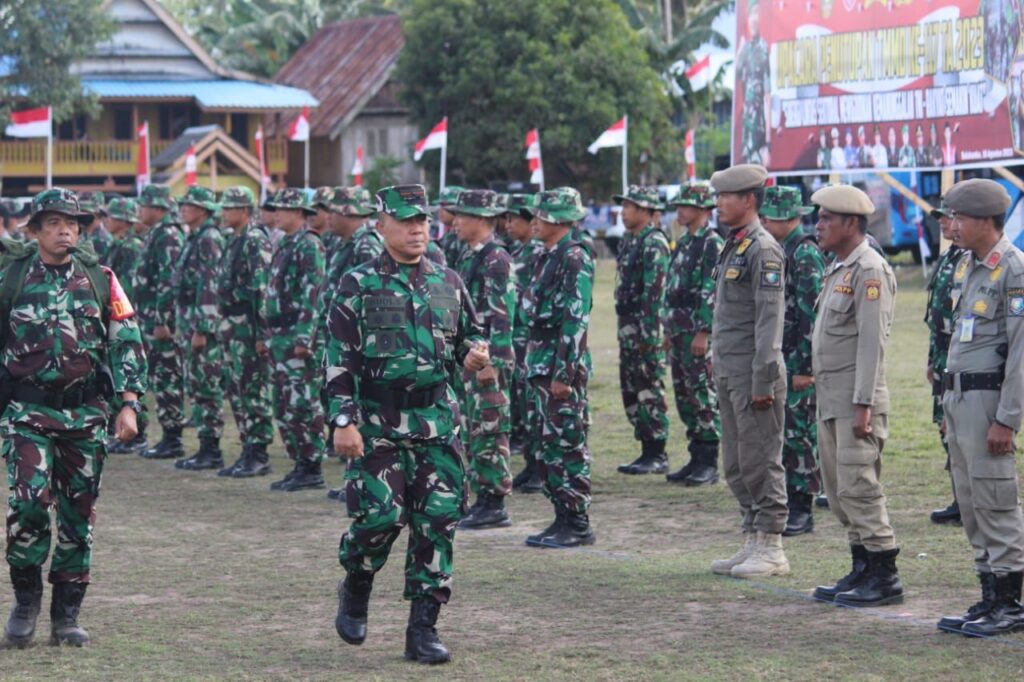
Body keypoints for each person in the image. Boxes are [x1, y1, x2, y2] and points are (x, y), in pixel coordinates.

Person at [327, 184, 488, 664]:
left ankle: (423, 629)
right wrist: (343, 421)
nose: (417, 229)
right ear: (381, 226)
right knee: (380, 517)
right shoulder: (358, 283)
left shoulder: (448, 280)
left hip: (437, 422)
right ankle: (357, 580)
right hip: (378, 423)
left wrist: (475, 354)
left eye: (422, 220)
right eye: (405, 221)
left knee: (437, 522)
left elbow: (469, 335)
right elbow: (339, 357)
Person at [0, 188, 146, 648]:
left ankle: (66, 615)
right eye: (54, 223)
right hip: (27, 411)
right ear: (35, 230)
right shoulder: (11, 277)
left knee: (78, 513)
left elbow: (126, 339)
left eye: (73, 224)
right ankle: (25, 603)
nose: (65, 231)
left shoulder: (101, 278)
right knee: (28, 505)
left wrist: (129, 403)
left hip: (85, 414)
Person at [938, 179, 1024, 636]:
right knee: (971, 501)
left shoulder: (1013, 269)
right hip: (960, 399)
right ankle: (990, 595)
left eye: (960, 217)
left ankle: (1010, 603)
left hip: (989, 401)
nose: (951, 226)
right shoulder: (968, 265)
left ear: (986, 220)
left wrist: (1007, 419)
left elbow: (1021, 354)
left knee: (995, 499)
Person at [810, 184, 903, 607]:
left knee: (860, 486)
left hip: (855, 402)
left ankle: (884, 575)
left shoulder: (870, 269)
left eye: (826, 218)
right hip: (833, 400)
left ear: (851, 223)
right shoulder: (840, 268)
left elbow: (871, 344)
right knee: (839, 490)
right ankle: (862, 566)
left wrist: (863, 404)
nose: (818, 225)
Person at [707, 164, 790, 579]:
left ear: (750, 200)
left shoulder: (763, 249)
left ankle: (772, 546)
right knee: (736, 464)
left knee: (760, 460)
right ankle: (752, 536)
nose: (719, 203)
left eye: (726, 196)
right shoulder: (734, 245)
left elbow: (769, 322)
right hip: (731, 370)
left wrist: (763, 379)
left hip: (755, 373)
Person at [521, 188, 596, 548]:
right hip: (542, 362)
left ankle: (577, 523)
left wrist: (563, 374)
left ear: (559, 220)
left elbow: (575, 319)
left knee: (567, 443)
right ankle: (562, 517)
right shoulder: (548, 255)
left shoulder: (574, 257)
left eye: (541, 216)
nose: (534, 222)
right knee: (548, 444)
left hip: (558, 367)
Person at [449, 189, 516, 529]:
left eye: (462, 216)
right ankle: (481, 496)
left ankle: (494, 502)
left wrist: (492, 362)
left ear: (482, 219)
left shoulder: (496, 260)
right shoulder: (469, 255)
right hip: (471, 357)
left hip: (489, 360)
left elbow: (502, 318)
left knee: (490, 426)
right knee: (473, 427)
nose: (455, 222)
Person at [760, 186, 825, 536]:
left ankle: (803, 508)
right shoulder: (782, 250)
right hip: (781, 358)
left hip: (798, 364)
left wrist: (805, 368)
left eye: (770, 218)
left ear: (788, 218)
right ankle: (787, 500)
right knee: (784, 432)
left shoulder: (804, 253)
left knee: (799, 434)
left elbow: (811, 316)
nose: (765, 223)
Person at [321, 186, 382, 501]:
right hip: (344, 339)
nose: (327, 217)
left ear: (349, 213)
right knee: (348, 410)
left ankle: (365, 481)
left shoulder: (366, 246)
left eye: (332, 211)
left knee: (362, 413)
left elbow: (374, 299)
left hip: (361, 343)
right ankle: (353, 480)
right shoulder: (345, 244)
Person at [264, 188, 326, 491]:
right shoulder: (286, 243)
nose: (276, 214)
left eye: (283, 209)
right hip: (280, 336)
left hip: (297, 336)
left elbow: (313, 293)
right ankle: (299, 462)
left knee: (302, 402)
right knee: (283, 403)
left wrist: (305, 338)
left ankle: (311, 465)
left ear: (299, 213)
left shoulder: (309, 244)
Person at [662, 182, 723, 485]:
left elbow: (711, 290)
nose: (680, 211)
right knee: (684, 395)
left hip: (696, 333)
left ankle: (708, 461)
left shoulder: (711, 244)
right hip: (678, 331)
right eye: (679, 205)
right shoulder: (685, 242)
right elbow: (672, 288)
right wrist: (667, 329)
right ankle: (695, 456)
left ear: (703, 210)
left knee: (702, 393)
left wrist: (704, 331)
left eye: (685, 206)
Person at [214, 186, 274, 478]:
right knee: (237, 390)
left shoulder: (254, 240)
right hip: (233, 326)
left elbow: (262, 289)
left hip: (249, 328)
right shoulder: (234, 239)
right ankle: (247, 448)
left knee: (253, 390)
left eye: (229, 207)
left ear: (245, 211)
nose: (224, 212)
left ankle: (259, 453)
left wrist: (263, 333)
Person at [613, 186, 671, 475]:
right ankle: (646, 449)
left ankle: (657, 453)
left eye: (629, 207)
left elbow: (654, 294)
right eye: (623, 206)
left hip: (645, 331)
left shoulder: (653, 243)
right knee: (632, 388)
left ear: (646, 211)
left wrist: (649, 336)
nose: (623, 212)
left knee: (649, 388)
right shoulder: (630, 241)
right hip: (628, 329)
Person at [170, 186, 226, 471]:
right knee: (196, 384)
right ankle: (205, 446)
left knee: (206, 385)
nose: (183, 209)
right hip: (189, 321)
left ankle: (211, 449)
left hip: (200, 326)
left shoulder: (209, 238)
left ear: (203, 209)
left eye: (189, 205)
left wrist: (202, 328)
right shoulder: (195, 236)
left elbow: (210, 283)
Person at [134, 185, 188, 460]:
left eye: (143, 206)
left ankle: (173, 437)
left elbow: (169, 280)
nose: (139, 211)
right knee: (159, 376)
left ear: (157, 208)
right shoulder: (157, 232)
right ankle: (168, 435)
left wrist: (162, 319)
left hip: (162, 323)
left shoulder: (168, 235)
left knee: (168, 376)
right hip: (150, 319)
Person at [925, 200, 964, 525]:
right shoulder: (949, 255)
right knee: (945, 427)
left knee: (960, 429)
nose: (942, 222)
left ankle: (969, 500)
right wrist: (931, 359)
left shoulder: (970, 257)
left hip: (961, 359)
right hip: (942, 357)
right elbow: (936, 315)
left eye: (948, 217)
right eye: (940, 217)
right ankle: (960, 498)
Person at [506, 193, 545, 493]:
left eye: (514, 219)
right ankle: (532, 463)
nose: (508, 225)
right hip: (518, 337)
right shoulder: (519, 251)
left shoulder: (537, 253)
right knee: (524, 403)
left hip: (532, 338)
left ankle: (541, 467)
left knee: (535, 404)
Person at [104, 197, 150, 455]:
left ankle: (138, 433)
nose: (106, 220)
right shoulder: (119, 244)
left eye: (111, 216)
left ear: (122, 220)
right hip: (118, 316)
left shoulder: (131, 247)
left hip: (126, 318)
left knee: (132, 377)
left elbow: (130, 286)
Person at [736, 0, 770, 165]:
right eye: (751, 14)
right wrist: (739, 52)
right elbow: (736, 78)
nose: (754, 19)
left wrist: (768, 144)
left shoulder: (764, 49)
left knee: (758, 172)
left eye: (757, 13)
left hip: (759, 127)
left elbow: (768, 96)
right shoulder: (745, 49)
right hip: (747, 127)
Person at [78, 191, 113, 265]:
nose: (81, 215)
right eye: (80, 211)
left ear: (98, 214)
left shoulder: (103, 240)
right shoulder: (78, 232)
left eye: (85, 211)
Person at [435, 186, 466, 268]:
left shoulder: (465, 238)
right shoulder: (448, 236)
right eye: (440, 205)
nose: (441, 210)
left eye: (446, 206)